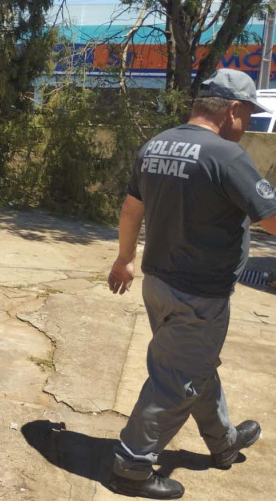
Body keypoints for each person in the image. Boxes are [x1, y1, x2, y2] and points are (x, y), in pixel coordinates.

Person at [106, 68, 276, 499]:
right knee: (175, 379)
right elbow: (271, 217)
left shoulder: (156, 144)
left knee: (191, 366)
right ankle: (132, 466)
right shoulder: (225, 155)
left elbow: (130, 209)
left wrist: (124, 260)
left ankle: (223, 442)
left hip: (157, 284)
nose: (249, 124)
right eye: (249, 116)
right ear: (232, 110)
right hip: (199, 295)